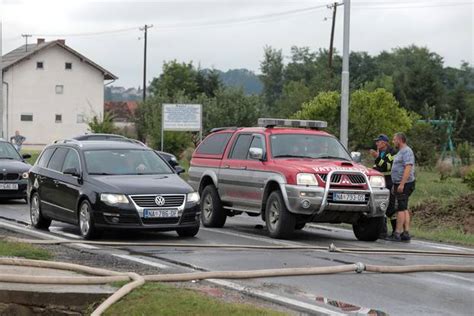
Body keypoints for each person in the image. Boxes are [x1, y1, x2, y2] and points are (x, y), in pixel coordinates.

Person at [388, 132, 416, 242]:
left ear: (399, 140)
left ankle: (398, 233)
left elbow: (408, 168)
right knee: (404, 207)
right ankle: (406, 233)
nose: (393, 141)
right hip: (398, 183)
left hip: (404, 183)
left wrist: (402, 184)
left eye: (394, 139)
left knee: (400, 208)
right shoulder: (401, 152)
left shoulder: (407, 151)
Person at [370, 134, 396, 239]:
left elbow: (388, 166)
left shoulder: (392, 152)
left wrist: (377, 158)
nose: (376, 143)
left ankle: (395, 232)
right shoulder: (379, 152)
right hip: (380, 182)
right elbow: (377, 167)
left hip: (389, 181)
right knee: (381, 206)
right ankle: (382, 231)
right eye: (376, 141)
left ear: (384, 142)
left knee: (390, 207)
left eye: (378, 141)